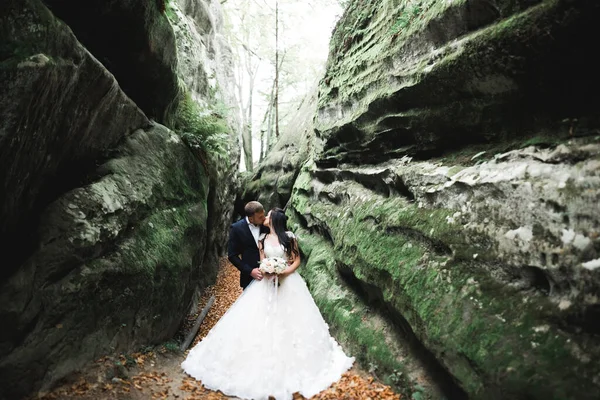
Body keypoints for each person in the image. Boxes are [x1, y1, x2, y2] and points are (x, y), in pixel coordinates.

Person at [182, 208, 354, 400]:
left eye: (268, 214)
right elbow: (263, 261)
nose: (265, 216)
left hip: (288, 282)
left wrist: (284, 272)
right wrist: (267, 271)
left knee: (292, 320)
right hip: (265, 283)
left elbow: (296, 260)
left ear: (274, 219)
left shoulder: (289, 237)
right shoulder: (262, 239)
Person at [228, 201, 270, 289]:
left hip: (270, 274)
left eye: (263, 215)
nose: (264, 218)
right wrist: (250, 271)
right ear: (251, 219)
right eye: (260, 217)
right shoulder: (236, 228)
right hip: (249, 277)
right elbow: (232, 255)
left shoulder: (267, 225)